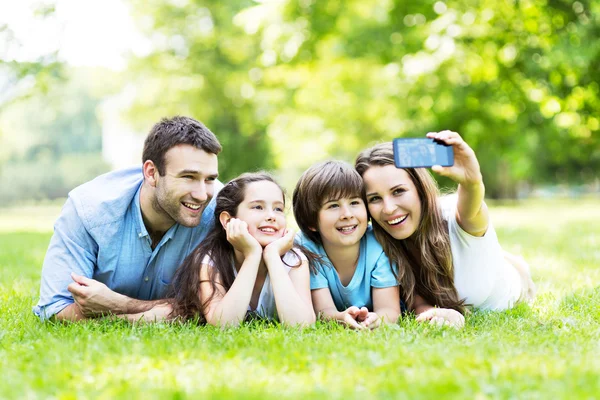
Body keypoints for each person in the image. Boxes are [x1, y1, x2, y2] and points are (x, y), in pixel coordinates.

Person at [33, 116, 222, 322]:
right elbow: (55, 308)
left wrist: (118, 305)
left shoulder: (221, 212)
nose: (202, 195)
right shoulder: (89, 210)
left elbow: (222, 308)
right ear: (151, 173)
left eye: (210, 179)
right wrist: (166, 312)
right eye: (188, 177)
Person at [355, 131, 536, 327]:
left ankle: (511, 260)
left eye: (398, 191)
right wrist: (435, 313)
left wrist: (471, 182)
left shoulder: (453, 214)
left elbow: (471, 207)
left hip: (514, 281)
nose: (388, 208)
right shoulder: (379, 243)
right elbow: (418, 302)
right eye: (374, 198)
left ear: (420, 188)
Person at [169, 172, 315, 327]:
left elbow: (302, 324)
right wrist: (252, 255)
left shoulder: (294, 260)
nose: (271, 216)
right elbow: (223, 324)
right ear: (228, 220)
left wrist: (272, 256)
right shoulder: (212, 259)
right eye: (258, 207)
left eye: (278, 209)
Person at [293, 161, 401, 330]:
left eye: (354, 203)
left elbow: (389, 310)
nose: (347, 214)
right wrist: (341, 318)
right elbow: (323, 311)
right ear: (311, 222)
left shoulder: (378, 244)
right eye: (333, 205)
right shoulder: (307, 248)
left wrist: (376, 319)